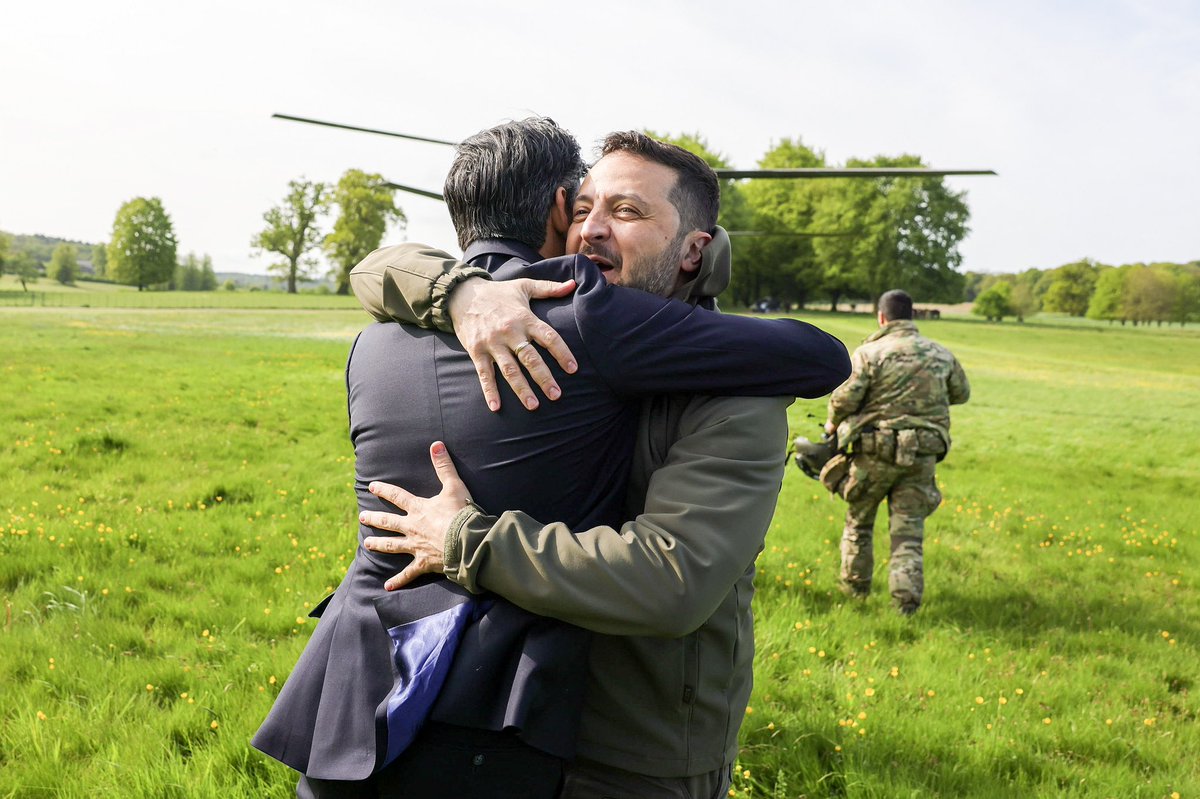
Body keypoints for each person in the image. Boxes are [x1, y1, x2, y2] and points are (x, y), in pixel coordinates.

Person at [253, 119, 850, 798]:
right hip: (501, 718)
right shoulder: (536, 317)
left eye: (626, 211)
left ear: (693, 250)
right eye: (587, 206)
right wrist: (460, 290)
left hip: (624, 747)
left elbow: (673, 576)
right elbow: (376, 268)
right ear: (559, 211)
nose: (593, 229)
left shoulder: (730, 388)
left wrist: (466, 539)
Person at [822, 289, 970, 615]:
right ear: (912, 316)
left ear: (881, 317)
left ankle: (854, 593)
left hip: (873, 453)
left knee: (859, 524)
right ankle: (905, 604)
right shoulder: (940, 354)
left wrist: (831, 427)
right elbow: (961, 393)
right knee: (908, 535)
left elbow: (844, 399)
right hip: (922, 456)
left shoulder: (868, 353)